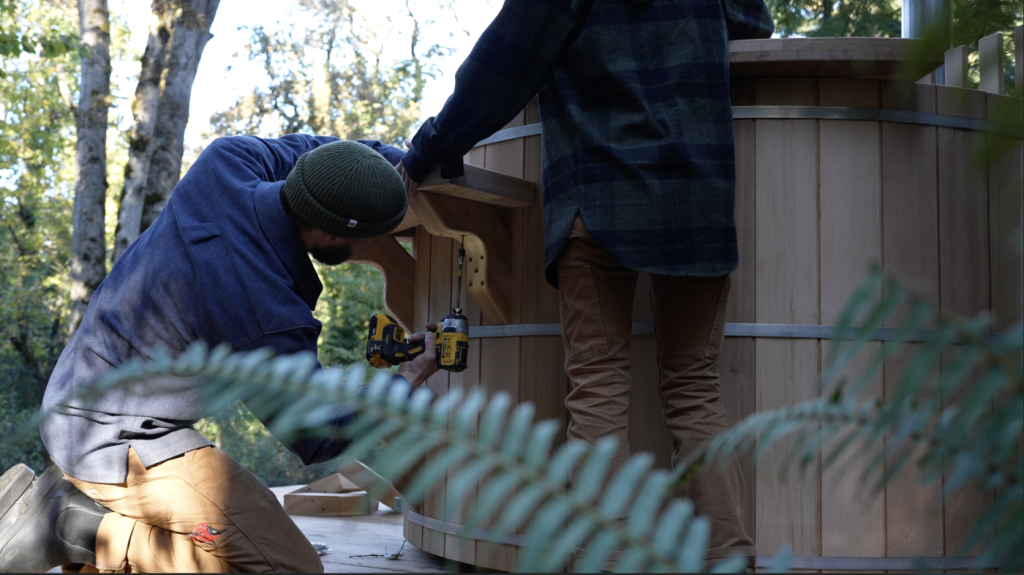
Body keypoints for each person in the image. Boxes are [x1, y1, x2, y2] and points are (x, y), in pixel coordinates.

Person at [397, 0, 774, 564]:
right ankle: (730, 559)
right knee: (695, 389)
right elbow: (754, 23)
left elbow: (500, 66)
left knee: (599, 387)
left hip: (598, 197)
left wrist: (427, 151)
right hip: (696, 201)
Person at [0, 136, 440, 573]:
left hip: (78, 401)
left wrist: (406, 165)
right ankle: (76, 527)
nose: (366, 246)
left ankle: (95, 524)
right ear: (331, 233)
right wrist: (405, 380)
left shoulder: (226, 163)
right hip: (117, 440)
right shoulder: (263, 307)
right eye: (367, 238)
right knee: (287, 567)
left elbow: (321, 152)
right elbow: (316, 433)